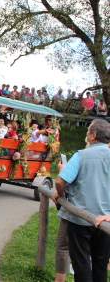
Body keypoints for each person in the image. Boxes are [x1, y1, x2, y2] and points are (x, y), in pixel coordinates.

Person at [53, 119, 110, 282]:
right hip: (105, 222)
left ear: (93, 136)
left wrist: (61, 195)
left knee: (82, 264)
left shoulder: (82, 155)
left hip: (80, 219)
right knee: (100, 265)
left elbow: (59, 181)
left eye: (87, 133)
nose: (86, 136)